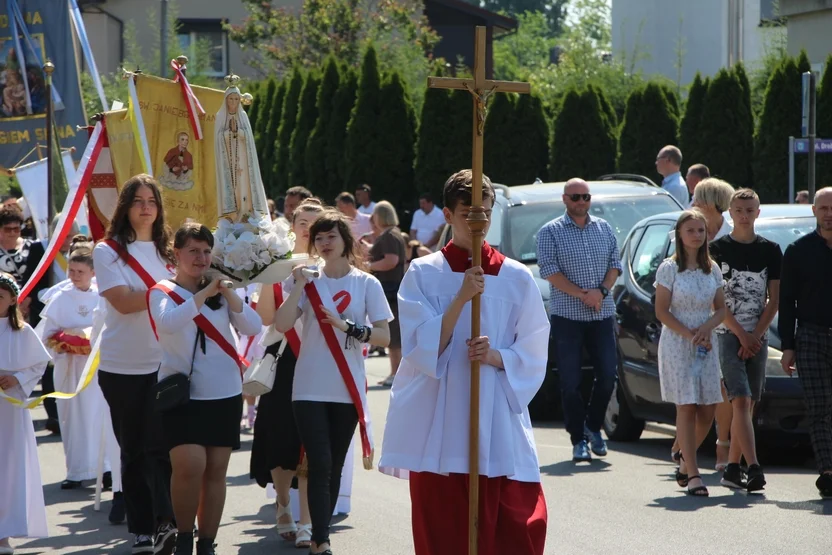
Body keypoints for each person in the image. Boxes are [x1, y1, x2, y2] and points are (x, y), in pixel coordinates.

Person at [380, 170, 549, 555]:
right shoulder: (424, 274)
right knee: (445, 532)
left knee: (516, 529)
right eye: (469, 214)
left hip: (496, 421)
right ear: (447, 214)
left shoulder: (516, 277)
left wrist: (497, 356)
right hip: (442, 421)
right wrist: (459, 299)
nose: (480, 222)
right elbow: (420, 348)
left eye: (486, 213)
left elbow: (535, 347)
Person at [275, 210, 392, 555]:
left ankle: (319, 533)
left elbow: (384, 336)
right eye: (319, 238)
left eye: (331, 237)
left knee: (335, 464)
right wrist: (297, 284)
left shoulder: (366, 283)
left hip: (347, 387)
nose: (325, 244)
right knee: (319, 461)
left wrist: (350, 328)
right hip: (309, 386)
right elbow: (282, 324)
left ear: (346, 242)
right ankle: (320, 540)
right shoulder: (309, 281)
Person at [148, 223, 262, 555]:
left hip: (224, 392)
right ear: (176, 253)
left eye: (206, 251)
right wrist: (203, 294)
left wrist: (226, 292)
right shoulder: (162, 291)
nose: (201, 258)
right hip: (183, 396)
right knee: (189, 466)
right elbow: (168, 323)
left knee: (216, 471)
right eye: (193, 251)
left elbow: (253, 326)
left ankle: (207, 543)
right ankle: (184, 537)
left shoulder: (220, 290)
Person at [93, 175, 177, 555]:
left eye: (152, 200)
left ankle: (166, 524)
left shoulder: (171, 252)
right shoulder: (107, 251)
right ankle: (141, 529)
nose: (146, 206)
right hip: (122, 366)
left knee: (164, 448)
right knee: (135, 449)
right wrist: (167, 291)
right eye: (138, 200)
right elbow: (123, 302)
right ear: (125, 206)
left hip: (167, 362)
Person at [251, 199, 324, 549]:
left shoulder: (330, 266)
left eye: (316, 222)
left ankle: (308, 519)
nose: (309, 228)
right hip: (283, 359)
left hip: (318, 360)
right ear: (292, 226)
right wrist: (271, 274)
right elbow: (266, 317)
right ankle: (283, 505)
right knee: (281, 440)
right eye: (303, 221)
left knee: (312, 443)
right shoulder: (277, 266)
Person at [536, 178, 621, 462]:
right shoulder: (550, 232)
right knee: (570, 381)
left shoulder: (604, 228)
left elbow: (615, 265)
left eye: (585, 197)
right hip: (568, 316)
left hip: (602, 313)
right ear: (564, 199)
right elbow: (549, 271)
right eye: (575, 197)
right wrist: (583, 294)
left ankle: (593, 427)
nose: (581, 202)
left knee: (608, 375)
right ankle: (578, 439)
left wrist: (601, 292)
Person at [710, 189, 781, 492]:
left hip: (758, 334)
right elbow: (717, 302)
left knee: (749, 402)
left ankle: (732, 467)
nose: (744, 215)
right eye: (739, 210)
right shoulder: (716, 249)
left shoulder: (771, 249)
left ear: (758, 213)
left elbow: (774, 298)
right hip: (727, 333)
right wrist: (741, 334)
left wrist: (756, 334)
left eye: (750, 210)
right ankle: (753, 467)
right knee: (739, 398)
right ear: (730, 212)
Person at [655, 210, 726, 497]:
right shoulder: (669, 269)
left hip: (706, 345)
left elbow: (721, 308)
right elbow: (661, 310)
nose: (697, 235)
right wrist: (690, 335)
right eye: (691, 230)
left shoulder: (713, 268)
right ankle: (694, 474)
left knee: (708, 409)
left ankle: (684, 458)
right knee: (686, 406)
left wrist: (706, 329)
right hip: (678, 344)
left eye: (701, 230)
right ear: (680, 235)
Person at [38, 237, 116, 490]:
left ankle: (104, 469)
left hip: (94, 368)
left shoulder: (102, 295)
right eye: (71, 271)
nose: (74, 276)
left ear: (93, 272)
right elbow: (46, 335)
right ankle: (76, 470)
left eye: (80, 272)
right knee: (72, 418)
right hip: (70, 368)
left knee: (98, 417)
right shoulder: (60, 297)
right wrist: (64, 341)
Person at [779, 186, 832, 499]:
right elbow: (786, 301)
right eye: (823, 208)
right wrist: (788, 345)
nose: (829, 214)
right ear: (814, 211)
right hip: (811, 336)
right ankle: (827, 470)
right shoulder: (798, 251)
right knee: (819, 407)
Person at [0, 272, 51, 555]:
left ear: (11, 301)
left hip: (9, 411)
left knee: (7, 468)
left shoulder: (22, 332)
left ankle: (3, 533)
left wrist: (17, 378)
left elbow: (38, 364)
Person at [690, 177, 735, 469]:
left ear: (711, 203)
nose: (693, 204)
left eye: (697, 199)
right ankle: (684, 445)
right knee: (697, 390)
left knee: (726, 390)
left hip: (731, 319)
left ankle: (723, 448)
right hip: (697, 323)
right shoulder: (688, 231)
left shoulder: (734, 233)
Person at [215, 82, 269, 223]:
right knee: (233, 187)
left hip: (244, 159)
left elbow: (249, 137)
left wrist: (238, 131)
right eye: (230, 99)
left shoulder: (243, 116)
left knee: (244, 184)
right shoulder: (220, 116)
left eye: (236, 99)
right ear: (226, 99)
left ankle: (247, 213)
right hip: (228, 158)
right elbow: (218, 138)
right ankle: (234, 216)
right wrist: (228, 133)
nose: (233, 102)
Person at [365, 201, 406, 387]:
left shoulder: (389, 236)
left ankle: (396, 373)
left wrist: (369, 266)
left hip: (390, 289)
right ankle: (394, 372)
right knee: (394, 334)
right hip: (392, 288)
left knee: (394, 336)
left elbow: (391, 260)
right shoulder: (393, 234)